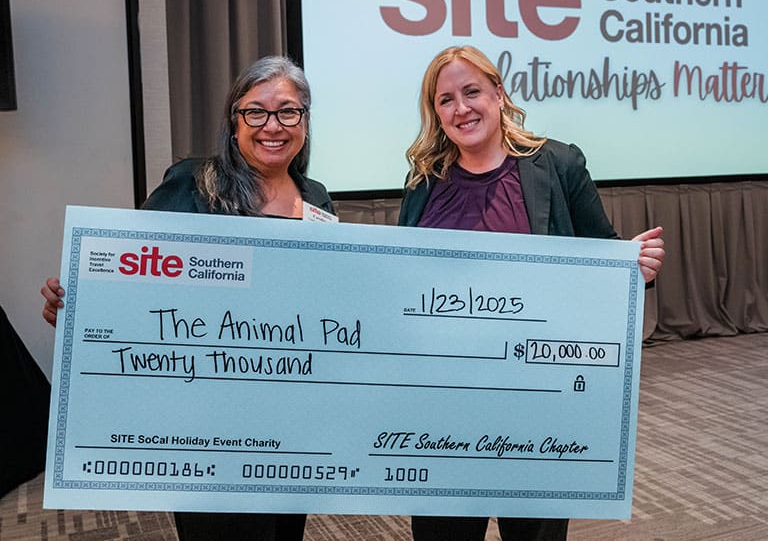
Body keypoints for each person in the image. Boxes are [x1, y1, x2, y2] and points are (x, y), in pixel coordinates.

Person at [41, 55, 332, 541]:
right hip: (205, 414)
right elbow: (132, 265)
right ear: (234, 121)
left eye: (288, 111)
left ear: (304, 121)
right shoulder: (193, 183)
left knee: (283, 528)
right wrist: (80, 305)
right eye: (255, 111)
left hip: (289, 410)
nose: (272, 126)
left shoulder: (317, 197)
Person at [398, 45, 665, 541]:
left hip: (537, 400)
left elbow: (603, 252)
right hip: (443, 402)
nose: (461, 108)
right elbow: (405, 279)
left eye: (472, 92)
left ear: (499, 93)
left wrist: (636, 268)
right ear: (435, 111)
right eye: (446, 100)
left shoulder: (558, 163)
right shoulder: (424, 179)